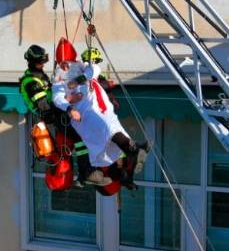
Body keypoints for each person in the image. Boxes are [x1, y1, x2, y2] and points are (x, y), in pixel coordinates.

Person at [19, 45, 109, 187]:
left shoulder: (38, 76)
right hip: (54, 115)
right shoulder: (31, 82)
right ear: (31, 61)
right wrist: (68, 100)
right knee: (81, 137)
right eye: (40, 62)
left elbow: (54, 90)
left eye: (44, 61)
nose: (43, 64)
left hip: (58, 113)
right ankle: (88, 173)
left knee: (80, 139)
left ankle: (85, 174)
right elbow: (45, 105)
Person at [52, 58, 148, 190]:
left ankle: (129, 167)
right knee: (107, 129)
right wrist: (69, 107)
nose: (67, 66)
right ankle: (132, 150)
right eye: (63, 64)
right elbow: (57, 99)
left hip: (102, 107)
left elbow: (95, 69)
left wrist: (79, 79)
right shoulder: (59, 82)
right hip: (85, 113)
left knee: (116, 130)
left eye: (69, 62)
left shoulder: (82, 68)